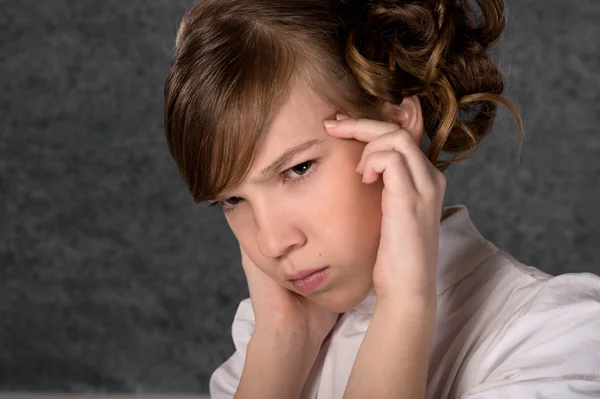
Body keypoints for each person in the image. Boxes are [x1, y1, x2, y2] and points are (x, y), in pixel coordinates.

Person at [163, 0, 600, 397]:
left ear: (395, 120)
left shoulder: (560, 337)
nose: (272, 244)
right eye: (234, 200)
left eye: (297, 169)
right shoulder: (267, 344)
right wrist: (281, 344)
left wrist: (404, 305)